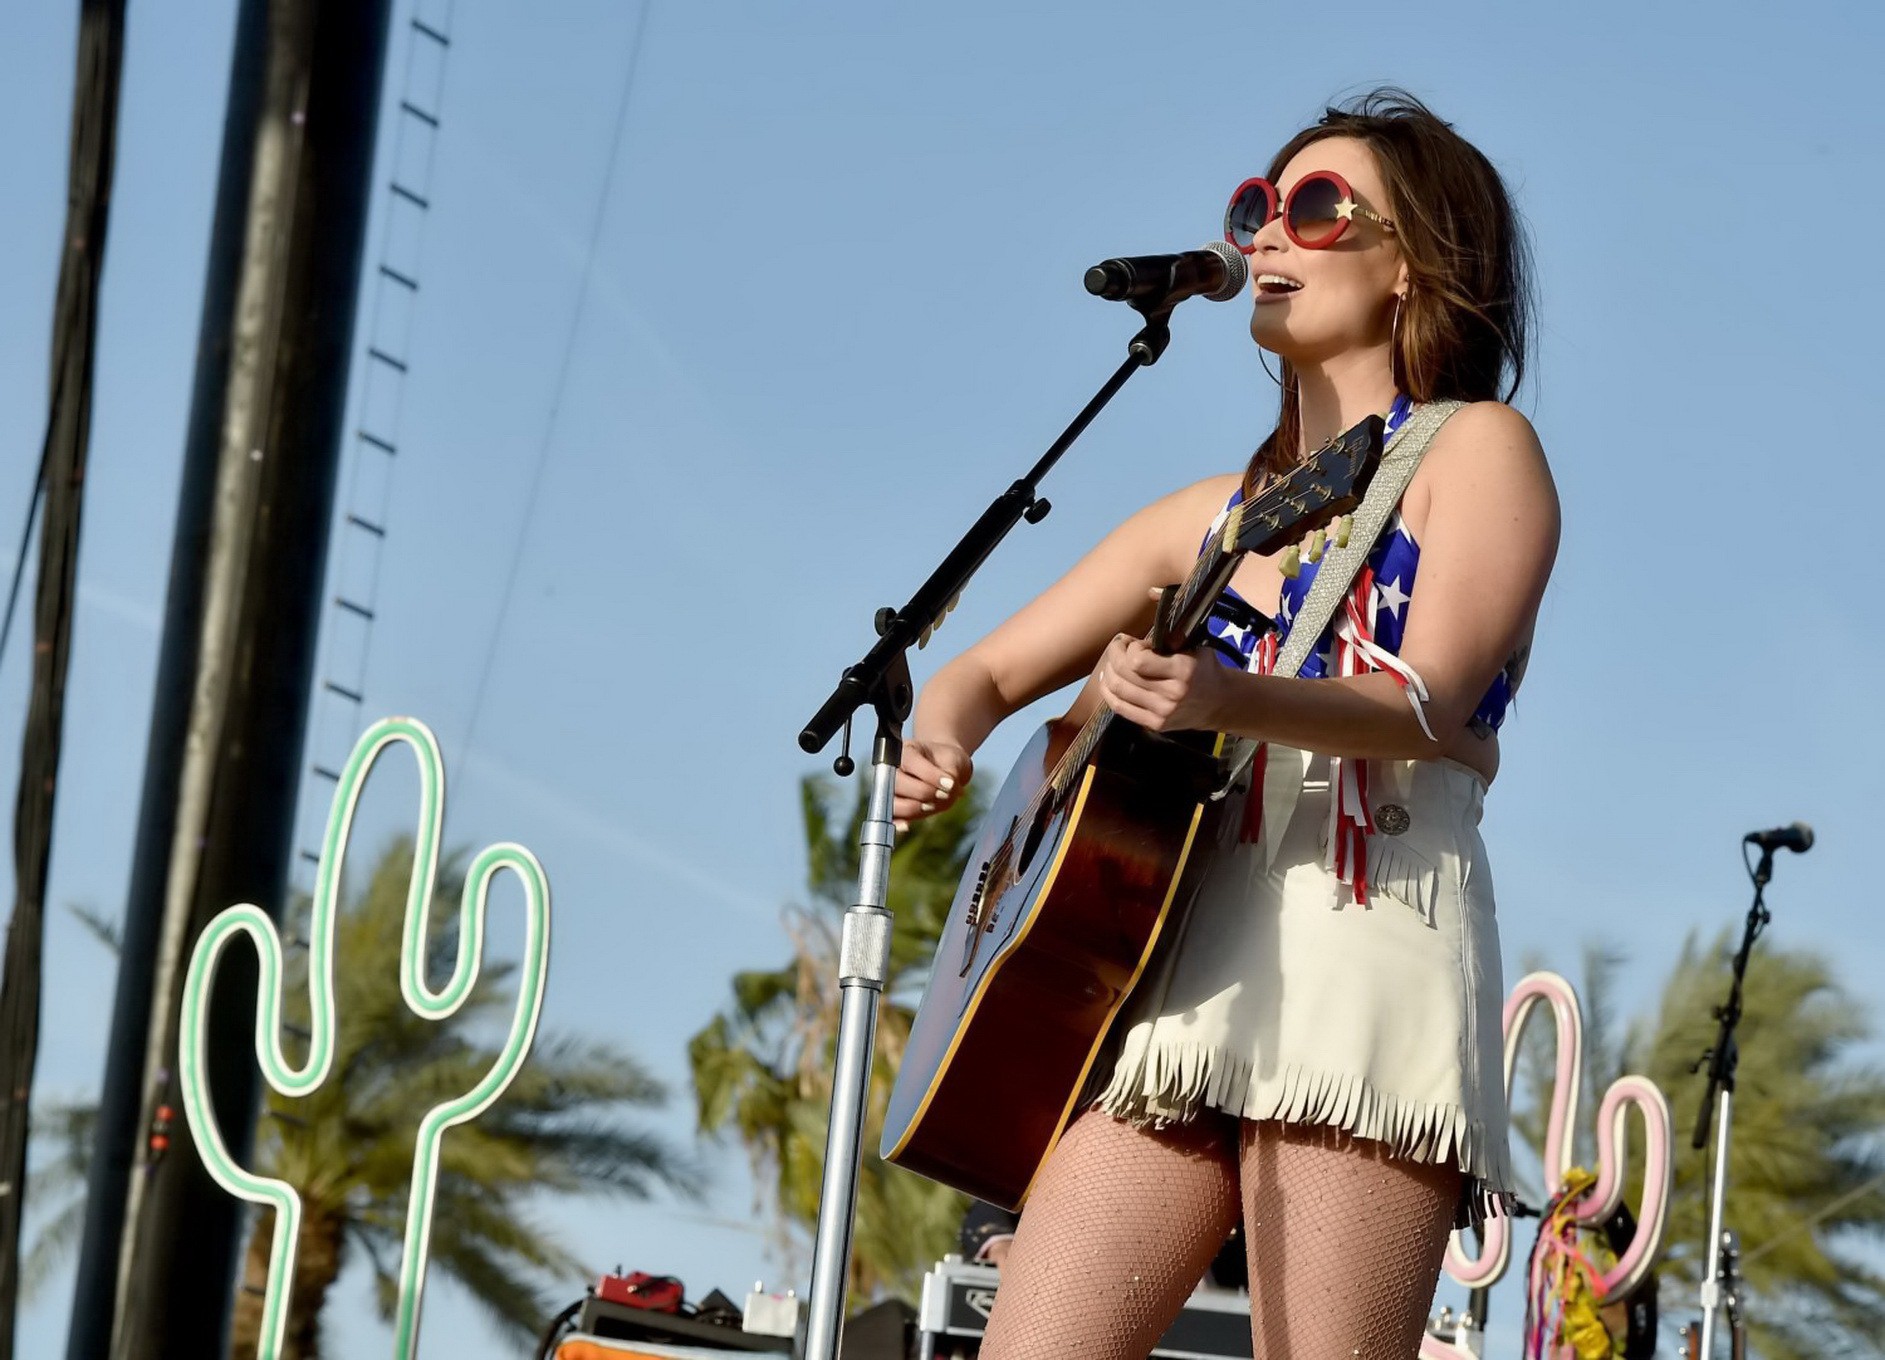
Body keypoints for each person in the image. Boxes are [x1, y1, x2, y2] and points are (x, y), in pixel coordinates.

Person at [891, 89, 1557, 1359]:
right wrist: (947, 734)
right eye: (1258, 206)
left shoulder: (1481, 450)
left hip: (1362, 957)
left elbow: (1431, 698)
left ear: (1414, 259)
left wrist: (1224, 695)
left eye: (1314, 209)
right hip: (1170, 966)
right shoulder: (1204, 515)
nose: (1265, 237)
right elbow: (975, 675)